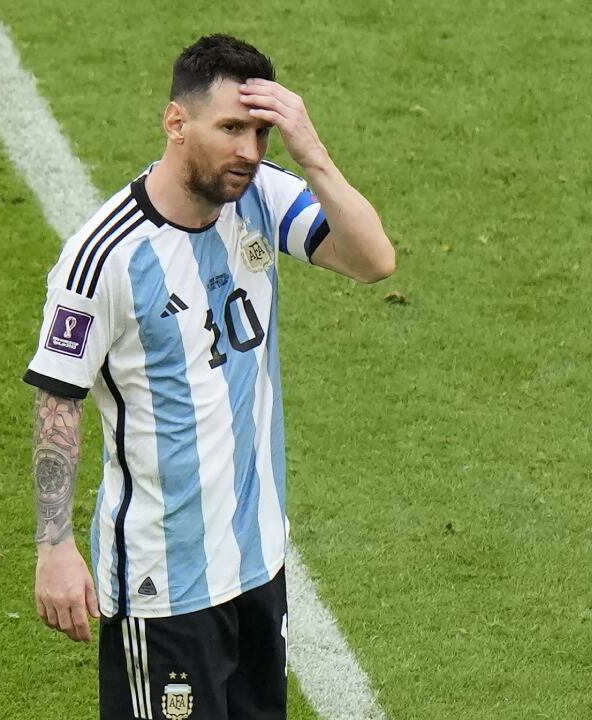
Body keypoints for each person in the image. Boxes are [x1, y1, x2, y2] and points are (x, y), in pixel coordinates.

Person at [22, 33, 394, 720]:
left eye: (261, 132)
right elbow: (58, 401)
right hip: (165, 586)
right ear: (176, 122)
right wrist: (55, 546)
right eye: (230, 129)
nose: (249, 150)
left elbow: (374, 261)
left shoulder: (260, 198)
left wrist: (311, 153)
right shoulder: (103, 259)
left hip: (257, 562)